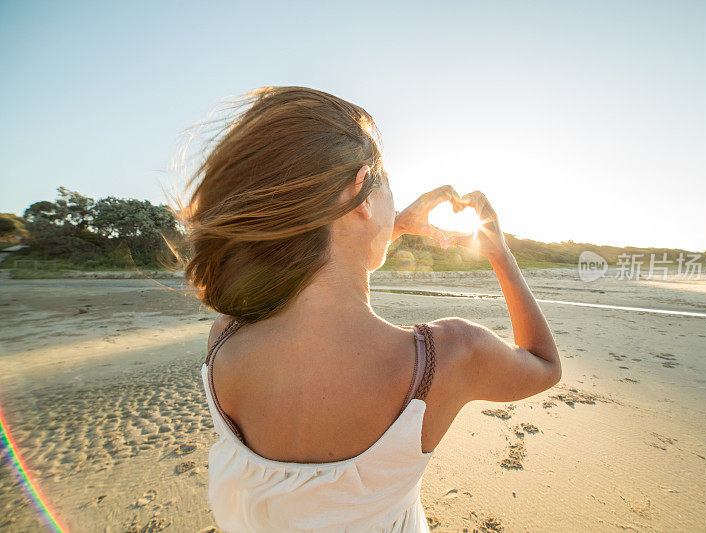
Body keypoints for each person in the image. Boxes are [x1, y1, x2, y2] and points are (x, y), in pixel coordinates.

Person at [180, 86, 561, 532]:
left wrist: (382, 223)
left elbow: (324, 266)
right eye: (388, 189)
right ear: (360, 187)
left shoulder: (226, 338)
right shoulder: (446, 356)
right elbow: (544, 364)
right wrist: (501, 253)